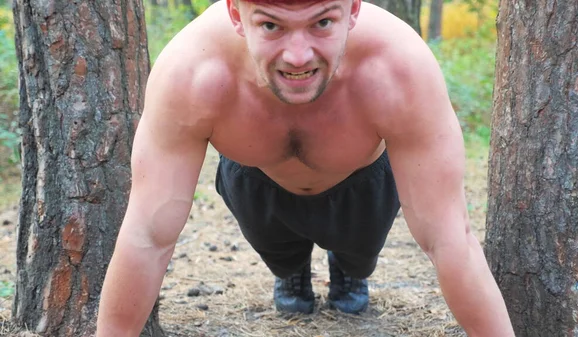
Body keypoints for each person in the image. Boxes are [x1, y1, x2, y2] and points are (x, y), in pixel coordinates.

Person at [97, 0, 515, 335]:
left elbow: (450, 238)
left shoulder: (397, 68)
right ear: (236, 16)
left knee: (358, 264)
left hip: (360, 184)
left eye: (322, 23)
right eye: (271, 26)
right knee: (282, 261)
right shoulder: (192, 73)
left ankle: (348, 270)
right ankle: (292, 270)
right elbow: (148, 235)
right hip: (255, 179)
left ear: (353, 11)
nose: (298, 57)